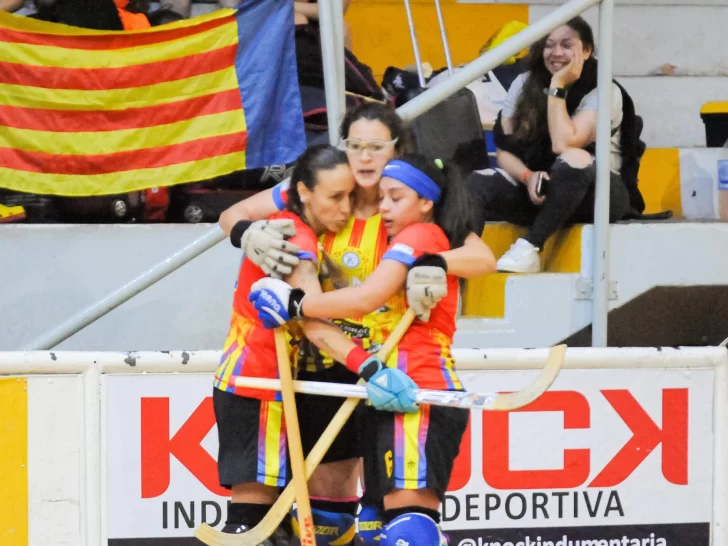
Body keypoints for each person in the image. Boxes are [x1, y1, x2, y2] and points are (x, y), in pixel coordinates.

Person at [219, 103, 494, 545]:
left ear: (396, 149)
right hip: (321, 365)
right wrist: (246, 235)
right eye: (355, 146)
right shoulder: (319, 184)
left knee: (382, 514)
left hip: (384, 369)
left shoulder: (411, 204)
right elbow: (232, 214)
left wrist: (433, 264)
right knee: (328, 517)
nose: (364, 158)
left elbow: (483, 258)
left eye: (376, 147)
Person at [213, 145, 426, 545]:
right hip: (257, 380)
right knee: (254, 525)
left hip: (268, 380)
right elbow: (314, 324)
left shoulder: (293, 219)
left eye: (350, 196)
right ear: (305, 192)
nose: (345, 208)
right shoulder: (296, 237)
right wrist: (371, 368)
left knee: (269, 525)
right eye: (334, 197)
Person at [467, 16, 640, 273]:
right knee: (477, 180)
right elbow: (505, 150)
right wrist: (527, 177)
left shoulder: (604, 89)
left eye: (566, 45)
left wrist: (557, 85)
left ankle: (530, 247)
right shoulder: (523, 83)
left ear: (587, 50)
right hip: (539, 191)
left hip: (596, 195)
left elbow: (564, 144)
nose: (556, 53)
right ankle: (461, 264)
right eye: (549, 45)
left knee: (575, 158)